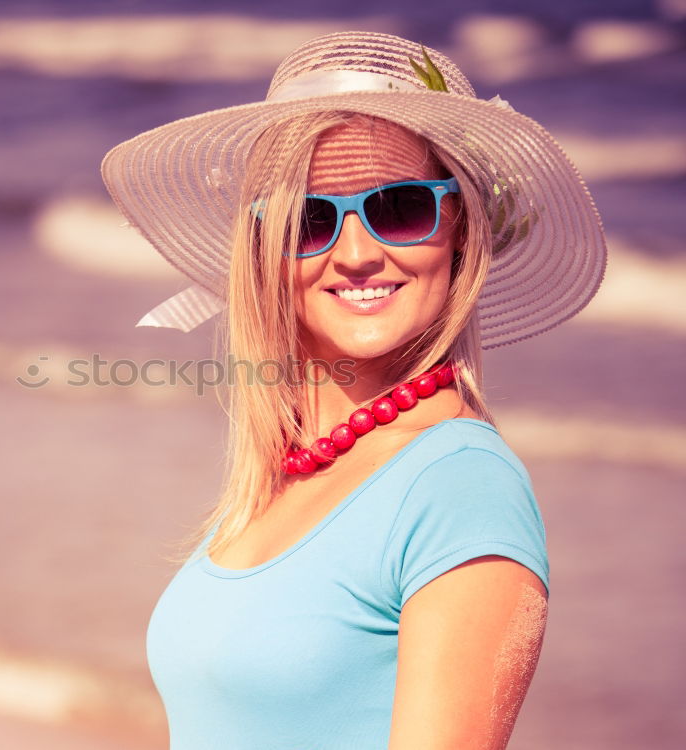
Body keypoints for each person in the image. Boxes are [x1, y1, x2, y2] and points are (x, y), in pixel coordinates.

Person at [101, 31, 606, 750]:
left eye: (399, 206)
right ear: (265, 250)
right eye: (309, 219)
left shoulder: (459, 486)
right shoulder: (278, 471)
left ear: (458, 224)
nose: (360, 253)